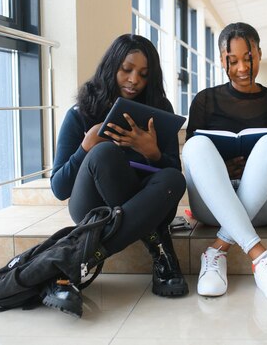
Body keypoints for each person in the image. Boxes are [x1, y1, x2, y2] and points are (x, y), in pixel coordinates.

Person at [49, 34, 188, 317]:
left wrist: (153, 153)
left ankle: (82, 260)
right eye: (127, 69)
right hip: (93, 208)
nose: (134, 79)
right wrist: (85, 147)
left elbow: (172, 170)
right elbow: (59, 187)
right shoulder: (79, 114)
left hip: (143, 198)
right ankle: (160, 249)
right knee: (104, 154)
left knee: (174, 178)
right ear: (111, 67)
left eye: (144, 74)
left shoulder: (160, 111)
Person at [181, 22, 267, 304]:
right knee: (195, 145)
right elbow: (195, 160)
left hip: (263, 206)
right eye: (233, 60)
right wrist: (222, 167)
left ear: (260, 53)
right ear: (221, 60)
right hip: (210, 207)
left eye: (248, 57)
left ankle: (216, 250)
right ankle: (260, 257)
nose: (242, 67)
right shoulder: (205, 100)